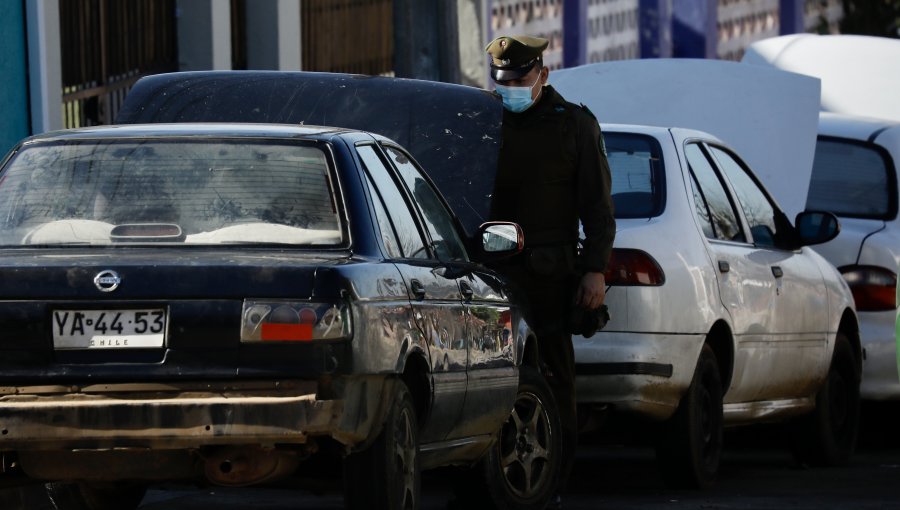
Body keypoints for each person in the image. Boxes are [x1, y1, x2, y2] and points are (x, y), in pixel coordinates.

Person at [485, 35, 616, 504]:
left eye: (520, 80)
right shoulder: (483, 121)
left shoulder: (574, 126)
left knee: (554, 383)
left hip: (548, 277)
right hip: (487, 275)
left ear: (543, 74)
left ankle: (552, 484)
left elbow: (598, 210)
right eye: (503, 82)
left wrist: (594, 271)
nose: (511, 89)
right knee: (486, 381)